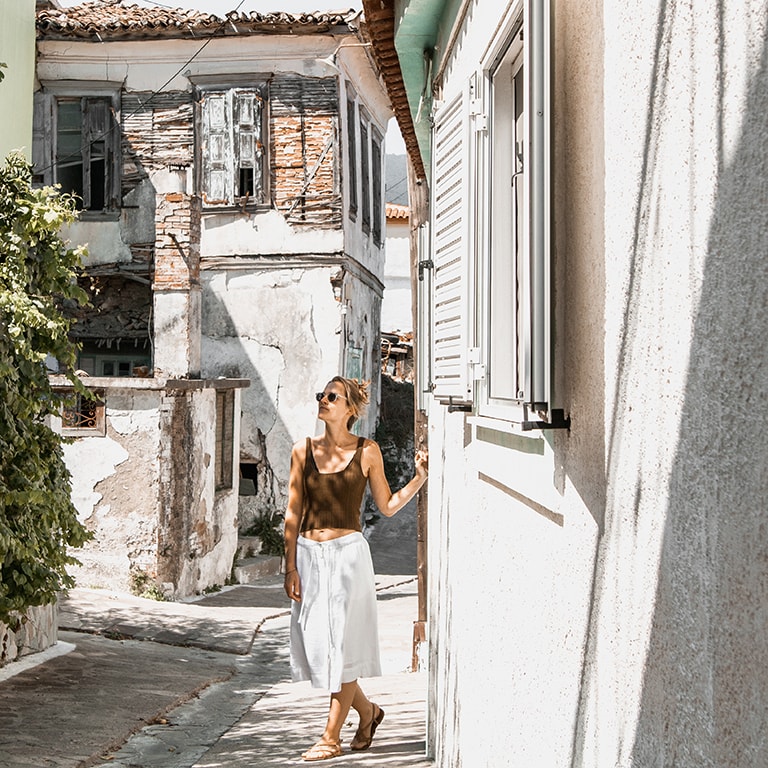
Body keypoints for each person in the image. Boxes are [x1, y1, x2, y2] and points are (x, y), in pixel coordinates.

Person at [283, 376, 428, 762]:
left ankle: (330, 736)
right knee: (321, 646)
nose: (324, 400)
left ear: (350, 409)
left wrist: (418, 479)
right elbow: (293, 512)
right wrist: (290, 566)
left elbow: (387, 505)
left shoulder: (368, 452)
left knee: (342, 647)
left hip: (349, 556)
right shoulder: (302, 450)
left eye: (333, 396)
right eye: (321, 395)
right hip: (310, 556)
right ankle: (368, 712)